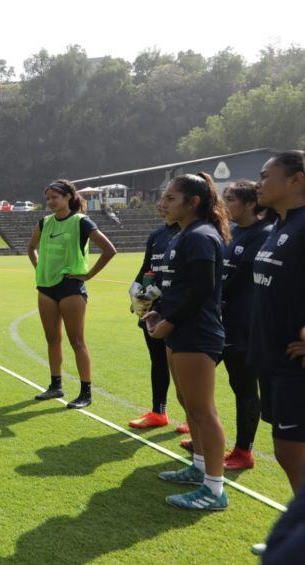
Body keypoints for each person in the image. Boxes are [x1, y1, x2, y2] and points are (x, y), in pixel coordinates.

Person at [143, 173, 230, 510]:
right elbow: (178, 288)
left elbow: (201, 289)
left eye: (170, 198)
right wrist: (158, 311)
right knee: (188, 403)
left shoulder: (200, 237)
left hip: (197, 333)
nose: (162, 204)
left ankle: (214, 489)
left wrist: (170, 321)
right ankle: (199, 469)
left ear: (193, 203)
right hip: (181, 330)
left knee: (204, 411)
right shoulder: (184, 235)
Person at [28, 180, 117, 409]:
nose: (50, 202)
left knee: (76, 340)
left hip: (70, 288)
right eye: (48, 198)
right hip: (46, 288)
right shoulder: (44, 223)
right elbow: (31, 248)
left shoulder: (80, 221)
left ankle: (85, 392)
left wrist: (87, 276)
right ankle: (55, 385)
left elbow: (109, 250)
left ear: (68, 197)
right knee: (51, 338)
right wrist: (40, 268)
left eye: (55, 197)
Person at [250, 150, 305, 493]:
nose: (259, 184)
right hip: (270, 356)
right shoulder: (279, 225)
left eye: (266, 175)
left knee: (291, 450)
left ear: (296, 180)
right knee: (287, 450)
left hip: (295, 362)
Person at [216, 180, 272, 470]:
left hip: (243, 325)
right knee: (196, 378)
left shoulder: (265, 234)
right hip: (219, 320)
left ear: (251, 203)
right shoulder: (233, 233)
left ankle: (243, 451)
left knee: (244, 387)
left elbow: (241, 282)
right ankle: (210, 435)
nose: (226, 206)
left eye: (232, 200)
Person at [127, 201, 178, 428]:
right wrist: (136, 292)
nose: (162, 205)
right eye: (161, 200)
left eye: (170, 200)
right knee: (157, 360)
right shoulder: (157, 235)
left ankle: (194, 416)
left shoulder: (191, 234)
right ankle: (159, 412)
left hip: (177, 310)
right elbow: (146, 266)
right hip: (151, 310)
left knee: (182, 365)